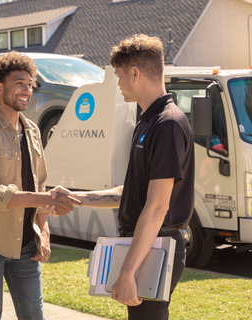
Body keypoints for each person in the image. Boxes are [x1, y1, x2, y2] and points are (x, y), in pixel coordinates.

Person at [52, 34, 194, 320]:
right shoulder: (147, 121)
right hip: (146, 244)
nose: (117, 84)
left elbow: (157, 208)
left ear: (135, 73)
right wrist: (75, 197)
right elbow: (130, 193)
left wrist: (128, 270)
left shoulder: (167, 124)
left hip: (157, 245)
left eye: (118, 76)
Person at [0, 51, 81, 320]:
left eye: (30, 83)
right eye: (19, 83)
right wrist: (45, 199)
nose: (27, 89)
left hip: (26, 245)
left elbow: (40, 183)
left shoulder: (33, 131)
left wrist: (44, 229)